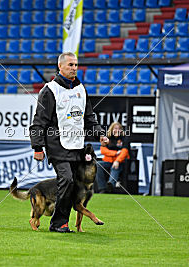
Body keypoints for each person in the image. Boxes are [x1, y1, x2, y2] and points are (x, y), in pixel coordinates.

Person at [29, 52, 108, 233]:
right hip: (57, 145)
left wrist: (100, 134)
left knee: (73, 185)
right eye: (70, 65)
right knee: (66, 179)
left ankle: (63, 222)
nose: (74, 68)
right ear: (60, 66)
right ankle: (58, 223)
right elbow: (39, 121)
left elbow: (89, 118)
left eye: (76, 65)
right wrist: (37, 146)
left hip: (77, 146)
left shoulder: (81, 89)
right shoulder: (49, 91)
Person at [96, 122, 130, 193]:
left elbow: (124, 152)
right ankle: (102, 188)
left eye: (119, 129)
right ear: (111, 129)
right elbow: (103, 150)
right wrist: (115, 153)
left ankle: (110, 185)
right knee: (98, 164)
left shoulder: (124, 139)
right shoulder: (107, 138)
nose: (117, 130)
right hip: (108, 161)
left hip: (120, 162)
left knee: (115, 167)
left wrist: (117, 160)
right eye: (115, 128)